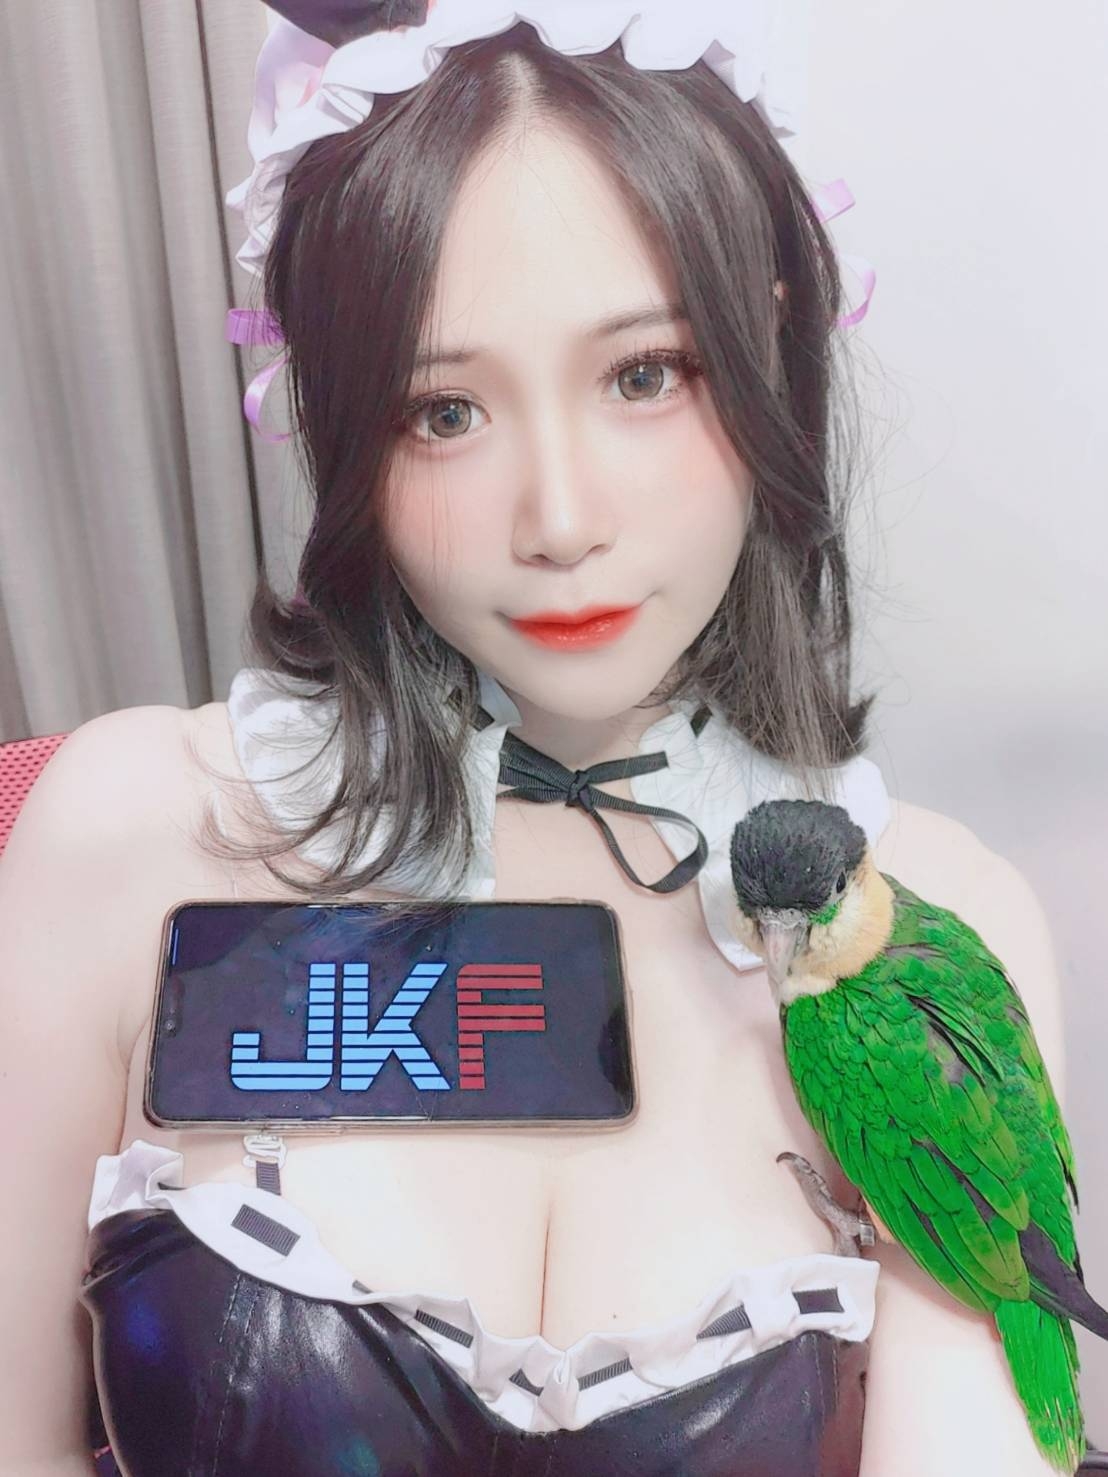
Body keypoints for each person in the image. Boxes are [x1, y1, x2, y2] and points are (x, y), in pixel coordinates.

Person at [0, 2, 1075, 1474]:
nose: (559, 520)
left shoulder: (942, 937)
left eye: (644, 375)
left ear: (770, 348)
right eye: (444, 411)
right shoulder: (123, 834)